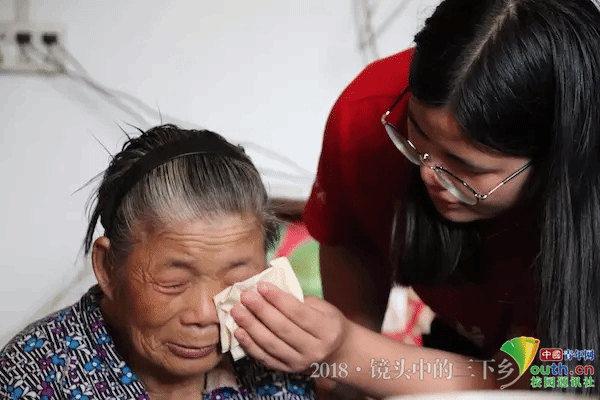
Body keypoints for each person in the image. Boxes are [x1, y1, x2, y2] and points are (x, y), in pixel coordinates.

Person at [228, 0, 600, 397]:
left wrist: (347, 352)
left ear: (557, 160)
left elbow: (551, 376)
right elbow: (353, 240)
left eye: (466, 167)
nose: (428, 175)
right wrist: (342, 372)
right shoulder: (371, 110)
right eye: (416, 139)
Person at [0, 124, 316, 400]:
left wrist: (336, 352)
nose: (206, 315)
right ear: (108, 268)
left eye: (236, 281)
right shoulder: (33, 377)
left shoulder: (280, 360)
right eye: (173, 283)